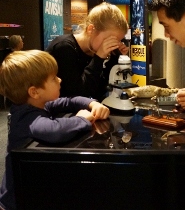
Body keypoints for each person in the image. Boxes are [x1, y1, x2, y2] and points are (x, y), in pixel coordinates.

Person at [0, 50, 110, 210]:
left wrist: (92, 103)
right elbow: (55, 130)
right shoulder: (25, 118)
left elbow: (69, 101)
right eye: (53, 78)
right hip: (16, 200)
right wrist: (81, 119)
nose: (60, 80)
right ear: (34, 92)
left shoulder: (36, 103)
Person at [46, 2, 129, 102]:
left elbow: (99, 90)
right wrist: (98, 58)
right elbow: (79, 94)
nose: (112, 45)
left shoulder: (92, 50)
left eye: (117, 41)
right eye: (109, 40)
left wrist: (115, 57)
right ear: (91, 30)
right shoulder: (64, 47)